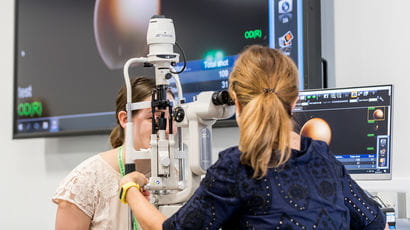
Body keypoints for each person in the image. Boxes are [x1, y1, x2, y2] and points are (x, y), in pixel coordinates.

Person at [119, 45, 387, 230]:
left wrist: (130, 188)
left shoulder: (236, 167)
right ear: (294, 101)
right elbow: (377, 224)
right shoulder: (322, 157)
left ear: (235, 102)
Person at [52, 77, 172, 229]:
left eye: (172, 119)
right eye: (155, 118)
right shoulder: (85, 182)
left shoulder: (176, 176)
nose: (167, 129)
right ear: (125, 119)